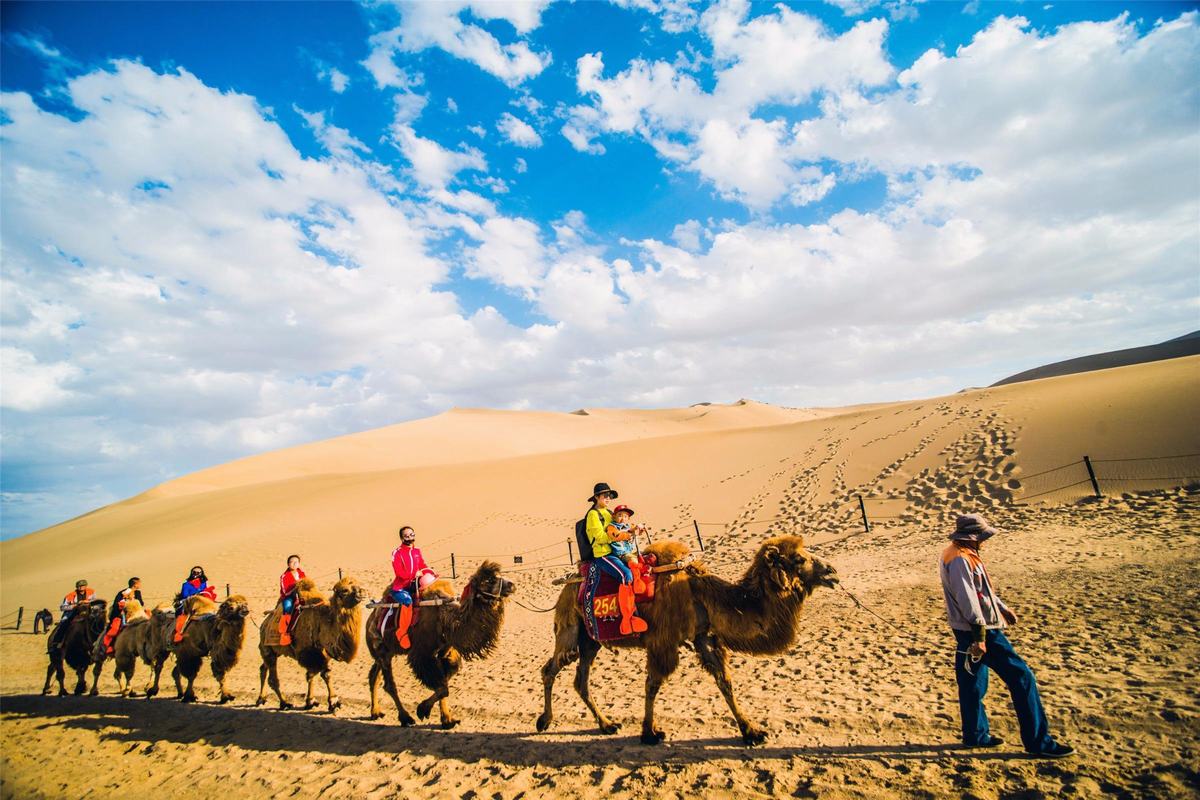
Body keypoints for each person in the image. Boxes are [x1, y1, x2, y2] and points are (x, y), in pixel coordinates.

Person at [940, 513, 1074, 758]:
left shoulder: (961, 554)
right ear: (973, 537)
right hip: (982, 630)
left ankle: (976, 735)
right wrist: (979, 636)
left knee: (972, 682)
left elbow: (981, 590)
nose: (984, 541)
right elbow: (968, 599)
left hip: (973, 627)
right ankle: (1038, 742)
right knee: (1022, 677)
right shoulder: (960, 558)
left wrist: (1000, 606)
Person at [585, 483, 647, 635]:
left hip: (617, 552)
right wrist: (625, 535)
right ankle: (628, 618)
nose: (608, 498)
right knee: (626, 575)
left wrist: (634, 529)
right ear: (596, 497)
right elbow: (599, 537)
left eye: (609, 495)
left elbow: (622, 526)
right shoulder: (593, 515)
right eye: (604, 495)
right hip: (603, 554)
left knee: (642, 566)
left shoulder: (609, 512)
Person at [388, 526, 434, 649]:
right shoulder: (397, 553)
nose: (410, 538)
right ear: (402, 538)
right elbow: (399, 572)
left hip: (415, 584)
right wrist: (414, 574)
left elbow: (422, 564)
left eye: (412, 535)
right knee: (408, 601)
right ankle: (402, 632)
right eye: (407, 536)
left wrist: (428, 572)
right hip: (401, 588)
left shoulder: (417, 551)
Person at [607, 504, 648, 595]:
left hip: (631, 551)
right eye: (620, 515)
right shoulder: (612, 527)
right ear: (614, 516)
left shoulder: (628, 526)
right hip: (621, 553)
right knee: (633, 561)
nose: (623, 518)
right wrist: (629, 533)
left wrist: (639, 529)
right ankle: (637, 583)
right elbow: (615, 536)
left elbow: (635, 530)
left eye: (625, 516)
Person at [100, 577, 144, 656]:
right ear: (135, 585)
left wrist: (134, 600)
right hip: (124, 613)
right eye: (139, 583)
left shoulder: (137, 593)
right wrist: (126, 600)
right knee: (115, 628)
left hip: (136, 612)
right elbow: (116, 605)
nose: (140, 584)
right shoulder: (122, 593)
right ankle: (109, 646)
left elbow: (141, 603)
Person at [174, 566, 217, 643]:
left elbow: (206, 592)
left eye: (198, 573)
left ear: (201, 573)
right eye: (194, 572)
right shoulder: (186, 585)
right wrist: (197, 595)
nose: (196, 574)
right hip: (189, 604)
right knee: (184, 619)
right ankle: (179, 635)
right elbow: (185, 595)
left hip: (202, 604)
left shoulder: (204, 583)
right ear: (191, 573)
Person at [49, 580, 96, 651]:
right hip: (72, 614)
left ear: (86, 586)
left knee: (97, 624)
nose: (81, 587)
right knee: (63, 625)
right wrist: (75, 605)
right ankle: (57, 643)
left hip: (88, 614)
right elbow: (62, 607)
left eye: (83, 586)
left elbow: (95, 602)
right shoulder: (70, 596)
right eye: (79, 586)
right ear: (77, 587)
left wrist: (88, 602)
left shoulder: (91, 592)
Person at [277, 555, 306, 646]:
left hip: (301, 595)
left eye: (296, 562)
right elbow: (285, 591)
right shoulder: (284, 576)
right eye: (291, 562)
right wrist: (296, 587)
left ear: (299, 563)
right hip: (289, 596)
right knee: (287, 607)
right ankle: (285, 633)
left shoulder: (302, 573)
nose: (294, 564)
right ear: (288, 564)